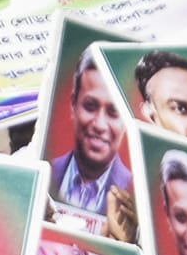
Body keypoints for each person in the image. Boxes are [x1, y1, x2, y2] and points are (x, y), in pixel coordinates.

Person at [51, 49, 133, 215]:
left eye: (113, 112)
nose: (100, 125)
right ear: (73, 105)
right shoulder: (46, 172)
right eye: (90, 106)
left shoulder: (136, 196)